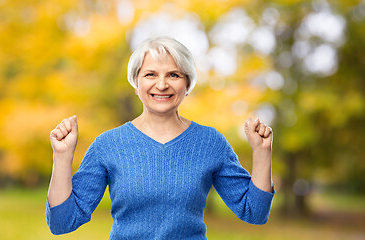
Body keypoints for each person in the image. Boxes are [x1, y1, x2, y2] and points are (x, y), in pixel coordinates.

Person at [46, 37, 274, 239]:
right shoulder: (108, 145)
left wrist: (262, 152)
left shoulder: (210, 142)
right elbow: (62, 222)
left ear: (187, 84)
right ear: (136, 82)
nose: (162, 84)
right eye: (150, 74)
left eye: (173, 75)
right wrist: (62, 157)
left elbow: (254, 212)